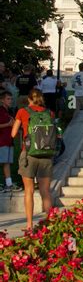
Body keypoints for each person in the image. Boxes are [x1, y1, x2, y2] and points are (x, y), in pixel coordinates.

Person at [11, 89, 56, 232]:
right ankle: (50, 223)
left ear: (29, 99)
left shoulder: (23, 112)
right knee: (45, 191)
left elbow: (13, 134)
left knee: (28, 191)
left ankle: (29, 225)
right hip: (46, 155)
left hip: (29, 154)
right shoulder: (49, 113)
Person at [0, 90, 21, 192]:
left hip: (9, 140)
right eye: (8, 99)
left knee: (6, 162)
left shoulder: (9, 111)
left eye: (11, 99)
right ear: (2, 100)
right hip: (2, 140)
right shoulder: (0, 111)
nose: (10, 101)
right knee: (3, 161)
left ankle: (8, 183)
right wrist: (8, 124)